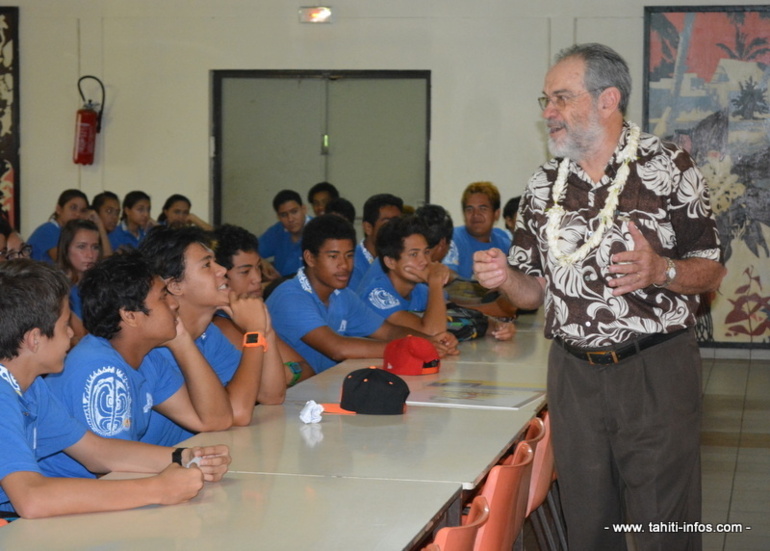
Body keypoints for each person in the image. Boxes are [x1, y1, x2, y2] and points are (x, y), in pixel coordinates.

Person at [473, 43, 726, 551]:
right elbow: (531, 293)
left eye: (562, 98)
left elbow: (712, 269)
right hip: (573, 375)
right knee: (589, 521)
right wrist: (504, 279)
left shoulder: (668, 167)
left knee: (662, 523)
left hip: (654, 368)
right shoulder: (544, 185)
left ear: (608, 100)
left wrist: (663, 269)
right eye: (546, 99)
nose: (548, 111)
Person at [0, 259, 231, 518]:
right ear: (34, 339)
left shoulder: (30, 388)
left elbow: (96, 452)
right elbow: (31, 499)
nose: (71, 334)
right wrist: (157, 489)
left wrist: (184, 457)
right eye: (65, 324)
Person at [41, 249, 233, 479]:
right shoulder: (100, 368)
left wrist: (182, 342)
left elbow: (215, 419)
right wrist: (183, 459)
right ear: (130, 315)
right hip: (65, 497)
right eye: (163, 297)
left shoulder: (148, 356)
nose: (174, 304)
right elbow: (112, 465)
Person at [139, 225, 286, 446]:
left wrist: (265, 327)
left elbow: (271, 395)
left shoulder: (208, 335)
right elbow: (237, 414)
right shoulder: (156, 345)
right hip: (147, 473)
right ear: (175, 285)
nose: (222, 270)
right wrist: (254, 334)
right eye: (207, 265)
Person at [265, 214, 458, 374]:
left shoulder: (342, 295)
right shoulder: (291, 297)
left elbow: (388, 331)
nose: (344, 265)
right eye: (333, 256)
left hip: (323, 388)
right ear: (310, 258)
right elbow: (338, 348)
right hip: (289, 401)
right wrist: (407, 348)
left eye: (349, 255)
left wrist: (428, 342)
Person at [212, 223, 315, 386]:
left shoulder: (252, 315)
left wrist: (283, 374)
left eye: (258, 267)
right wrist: (284, 373)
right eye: (245, 272)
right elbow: (268, 388)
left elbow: (307, 369)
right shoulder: (220, 326)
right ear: (219, 277)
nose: (258, 279)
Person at [442, 181, 511, 280]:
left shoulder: (505, 245)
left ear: (496, 214)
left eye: (483, 209)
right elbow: (445, 278)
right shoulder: (452, 238)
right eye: (469, 209)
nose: (475, 215)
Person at [55, 219, 103, 344]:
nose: (90, 255)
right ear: (66, 249)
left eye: (95, 247)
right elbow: (80, 337)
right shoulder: (56, 288)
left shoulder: (101, 285)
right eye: (81, 247)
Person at [349, 193, 403, 290]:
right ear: (368, 228)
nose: (395, 229)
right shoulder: (351, 263)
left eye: (398, 223)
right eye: (387, 223)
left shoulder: (402, 258)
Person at [28, 189, 89, 263]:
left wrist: (98, 223)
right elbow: (66, 263)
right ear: (59, 209)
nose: (78, 214)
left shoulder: (69, 233)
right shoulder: (49, 230)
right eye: (73, 208)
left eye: (83, 211)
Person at [259, 189, 309, 277]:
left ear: (304, 209)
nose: (290, 219)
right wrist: (261, 261)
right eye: (284, 215)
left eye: (294, 212)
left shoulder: (319, 229)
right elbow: (250, 251)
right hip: (282, 287)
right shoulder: (277, 231)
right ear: (278, 217)